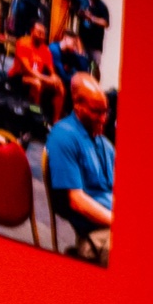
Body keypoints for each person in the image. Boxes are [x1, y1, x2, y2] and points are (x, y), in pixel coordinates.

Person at [45, 76, 116, 261]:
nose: (103, 118)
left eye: (106, 112)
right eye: (96, 112)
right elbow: (76, 201)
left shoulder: (105, 144)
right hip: (95, 231)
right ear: (77, 104)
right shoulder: (63, 136)